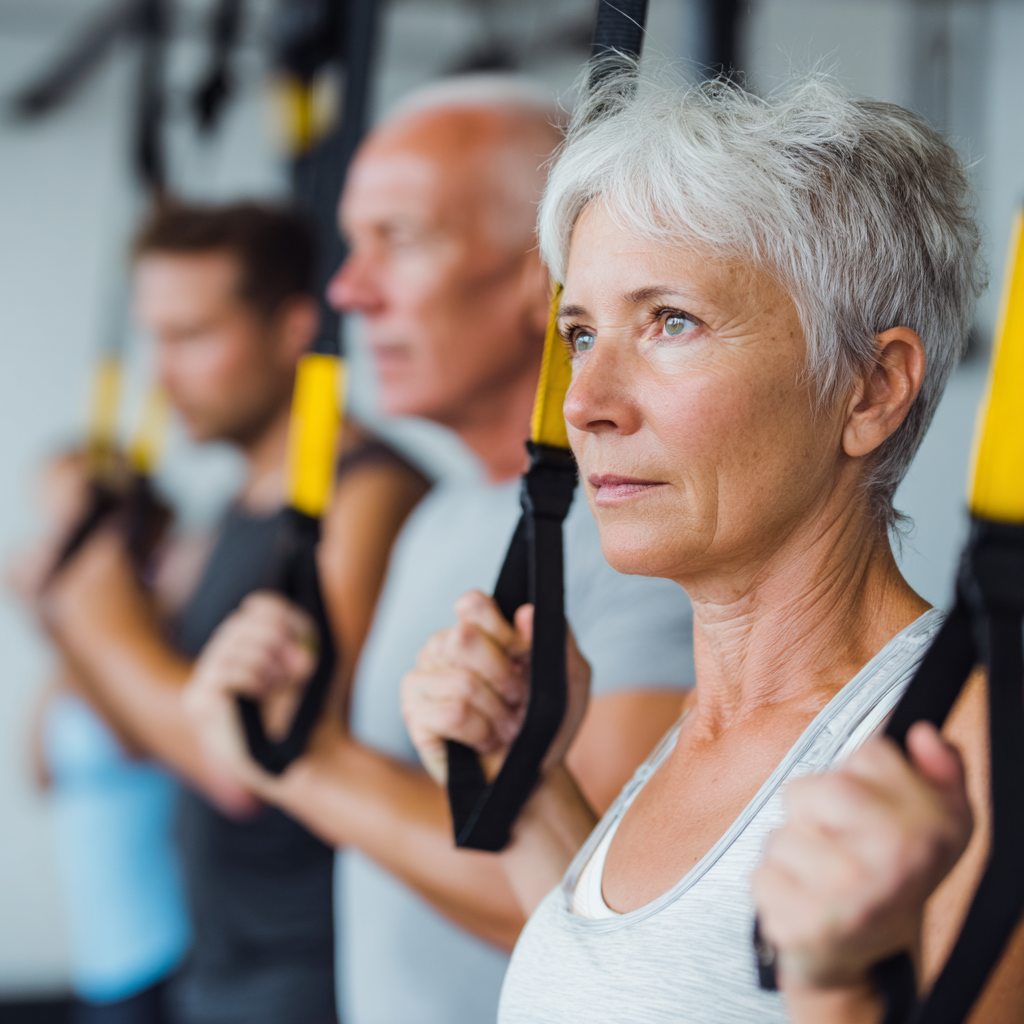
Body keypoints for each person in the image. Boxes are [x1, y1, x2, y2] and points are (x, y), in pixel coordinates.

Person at [397, 71, 1024, 1023]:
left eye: (671, 322)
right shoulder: (703, 729)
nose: (584, 402)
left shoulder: (965, 755)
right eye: (581, 332)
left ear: (870, 389)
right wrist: (521, 784)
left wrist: (838, 986)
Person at [183, 77, 696, 1024]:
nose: (347, 289)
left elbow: (577, 901)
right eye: (352, 242)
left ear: (545, 281)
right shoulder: (442, 517)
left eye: (402, 239)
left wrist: (299, 760)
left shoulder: (641, 537)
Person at [35, 203, 429, 1024]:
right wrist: (75, 605)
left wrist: (100, 616)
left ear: (292, 328)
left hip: (308, 974)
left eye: (191, 336)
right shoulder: (229, 509)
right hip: (208, 959)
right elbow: (117, 735)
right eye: (155, 339)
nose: (162, 374)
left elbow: (257, 755)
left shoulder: (369, 495)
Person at [10, 453, 188, 1024]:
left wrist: (61, 625)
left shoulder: (162, 624)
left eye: (66, 522)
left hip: (162, 942)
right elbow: (40, 771)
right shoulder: (83, 639)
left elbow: (134, 741)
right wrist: (56, 626)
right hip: (100, 945)